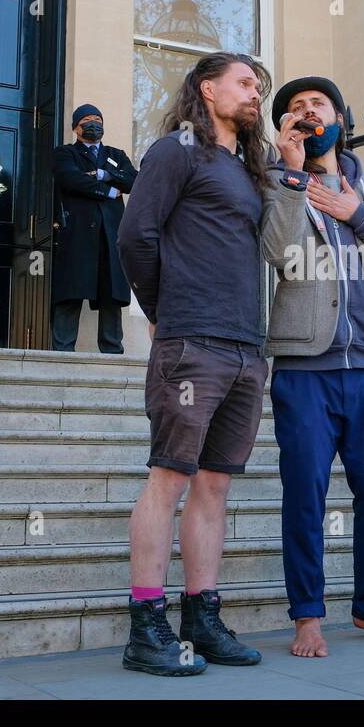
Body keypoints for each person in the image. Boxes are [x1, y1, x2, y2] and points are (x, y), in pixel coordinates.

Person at [260, 75, 364, 658]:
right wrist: (289, 176)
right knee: (304, 493)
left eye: (319, 105)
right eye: (297, 108)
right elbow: (278, 254)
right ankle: (307, 615)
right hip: (305, 367)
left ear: (338, 118)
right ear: (284, 125)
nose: (309, 112)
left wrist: (360, 213)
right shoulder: (276, 179)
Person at [116, 52, 273, 676]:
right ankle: (145, 627)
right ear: (208, 89)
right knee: (171, 478)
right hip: (192, 339)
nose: (256, 91)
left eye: (259, 85)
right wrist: (162, 308)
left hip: (244, 345)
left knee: (215, 484)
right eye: (245, 82)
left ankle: (201, 618)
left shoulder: (244, 165)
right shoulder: (177, 150)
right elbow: (135, 236)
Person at [51, 104, 138, 353]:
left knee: (111, 294)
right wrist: (110, 189)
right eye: (87, 119)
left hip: (110, 235)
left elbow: (134, 180)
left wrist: (101, 173)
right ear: (75, 127)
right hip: (77, 234)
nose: (93, 123)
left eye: (97, 119)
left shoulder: (116, 154)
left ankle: (112, 352)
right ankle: (62, 354)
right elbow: (70, 179)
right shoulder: (64, 153)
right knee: (71, 292)